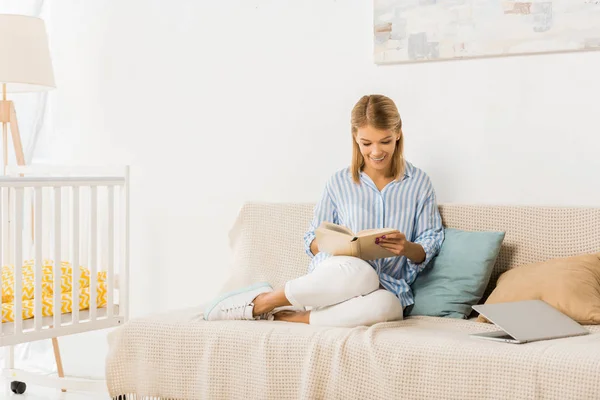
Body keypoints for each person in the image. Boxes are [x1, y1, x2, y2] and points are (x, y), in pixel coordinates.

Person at [204, 94, 444, 327]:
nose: (376, 152)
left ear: (398, 134)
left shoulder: (418, 183)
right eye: (366, 143)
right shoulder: (339, 183)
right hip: (339, 279)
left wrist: (407, 248)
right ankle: (263, 302)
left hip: (387, 287)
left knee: (390, 307)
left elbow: (431, 238)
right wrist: (338, 244)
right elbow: (311, 240)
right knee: (364, 274)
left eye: (385, 141)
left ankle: (294, 317)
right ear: (355, 137)